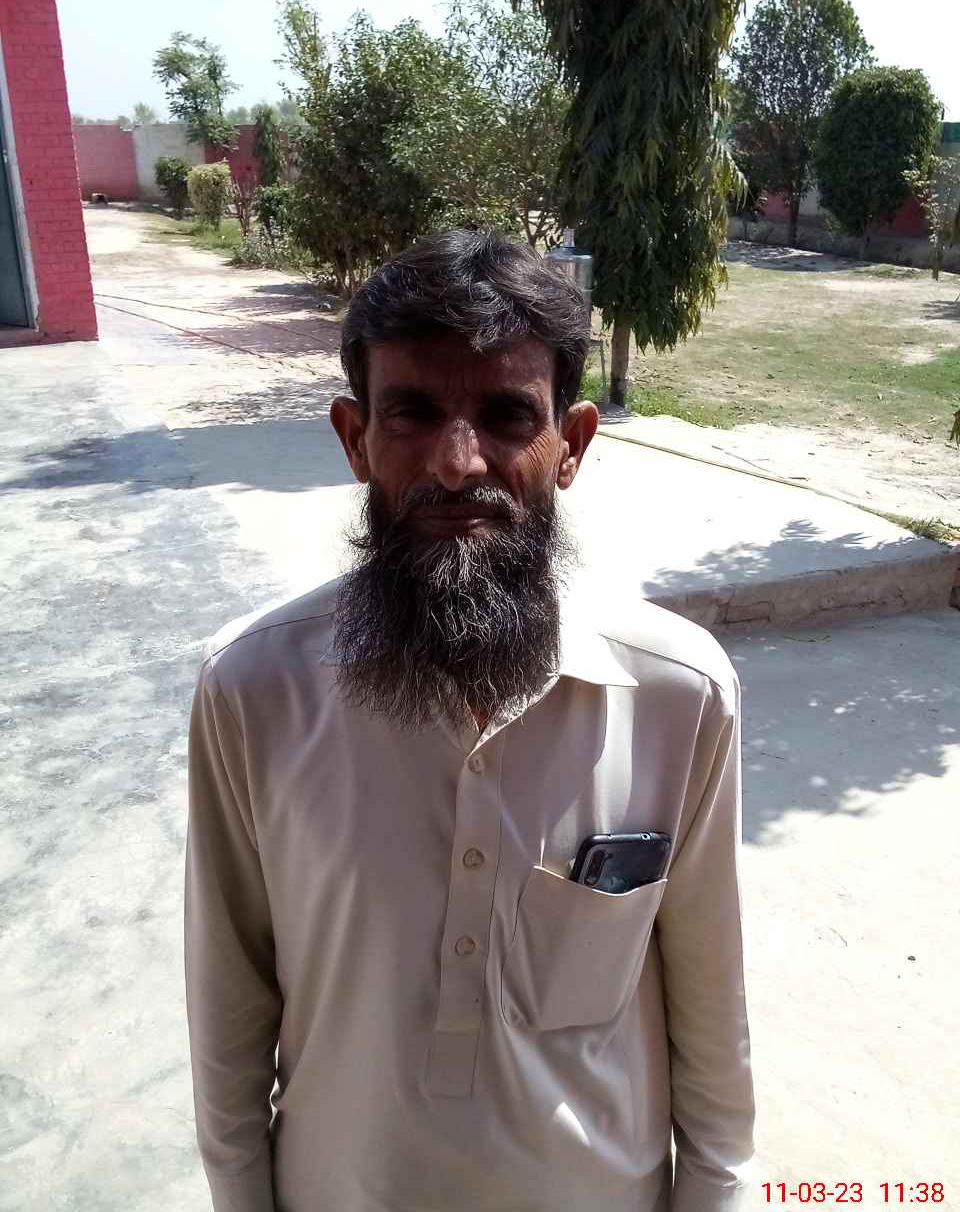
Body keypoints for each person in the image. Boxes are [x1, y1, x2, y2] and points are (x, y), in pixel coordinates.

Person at [184, 229, 755, 1212]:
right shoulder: (253, 690)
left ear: (570, 445)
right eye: (412, 412)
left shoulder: (678, 693)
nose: (457, 464)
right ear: (355, 438)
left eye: (506, 415)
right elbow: (227, 1007)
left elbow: (713, 1017)